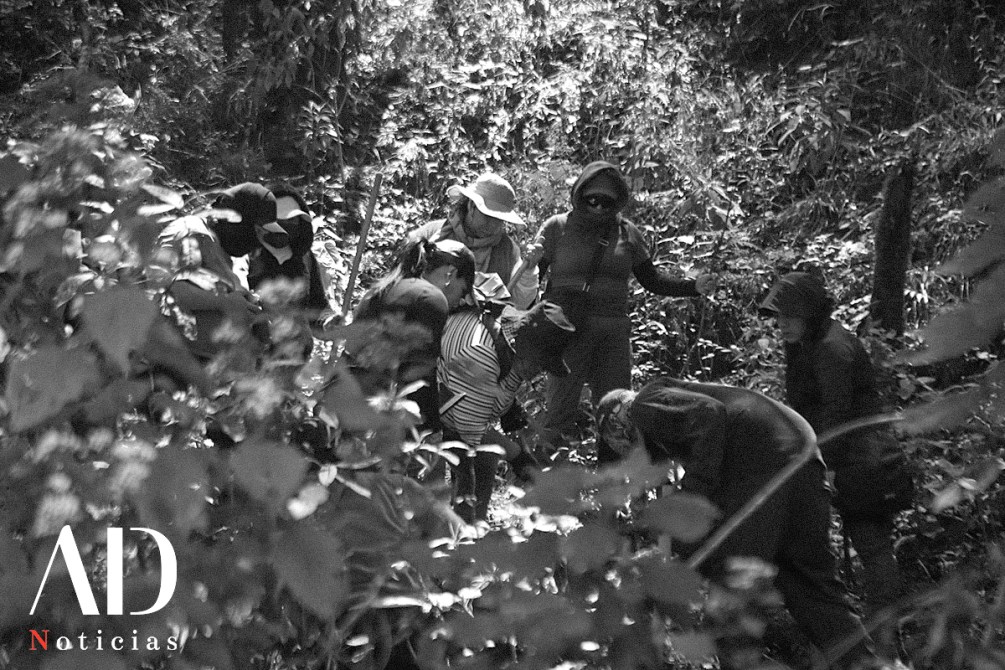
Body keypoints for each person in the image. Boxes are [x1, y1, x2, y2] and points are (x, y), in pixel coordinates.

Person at [595, 378, 878, 670]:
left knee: (729, 587)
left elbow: (709, 415)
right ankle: (866, 664)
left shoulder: (644, 404)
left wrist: (692, 497)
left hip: (763, 467)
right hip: (803, 461)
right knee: (809, 588)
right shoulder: (675, 410)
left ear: (620, 426)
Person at [759, 271, 907, 660]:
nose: (782, 323)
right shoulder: (809, 342)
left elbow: (836, 415)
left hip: (861, 460)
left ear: (809, 313)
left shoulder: (830, 348)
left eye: (790, 315)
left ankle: (885, 647)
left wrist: (823, 469)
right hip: (840, 458)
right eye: (779, 316)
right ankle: (851, 641)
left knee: (873, 549)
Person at [536, 161, 717, 444]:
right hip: (567, 334)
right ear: (578, 195)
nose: (597, 206)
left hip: (612, 338)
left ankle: (614, 483)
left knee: (617, 415)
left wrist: (693, 287)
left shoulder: (627, 232)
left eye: (606, 201)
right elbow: (533, 276)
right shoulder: (557, 228)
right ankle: (546, 480)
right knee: (558, 413)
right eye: (591, 199)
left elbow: (652, 280)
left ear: (618, 201)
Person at [438, 298, 576, 522]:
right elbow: (467, 423)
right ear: (527, 347)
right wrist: (520, 459)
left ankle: (470, 530)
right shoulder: (481, 352)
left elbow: (498, 401)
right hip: (425, 409)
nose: (541, 370)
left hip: (457, 408)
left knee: (485, 457)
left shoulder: (515, 352)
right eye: (541, 362)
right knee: (471, 460)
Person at [351, 238, 476, 432]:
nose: (461, 300)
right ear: (450, 274)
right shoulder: (432, 299)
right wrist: (431, 430)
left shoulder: (383, 288)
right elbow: (419, 377)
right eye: (464, 289)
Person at [411, 172, 542, 309]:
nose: (492, 225)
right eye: (488, 216)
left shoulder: (507, 250)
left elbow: (521, 303)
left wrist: (529, 270)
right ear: (471, 206)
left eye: (498, 219)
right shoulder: (431, 234)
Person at [210, 182, 329, 321]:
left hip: (296, 340)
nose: (285, 227)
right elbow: (235, 294)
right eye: (280, 221)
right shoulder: (243, 254)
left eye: (293, 220)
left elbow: (318, 307)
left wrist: (329, 322)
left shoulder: (304, 257)